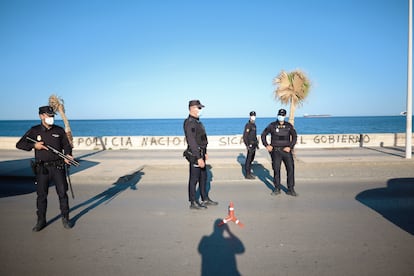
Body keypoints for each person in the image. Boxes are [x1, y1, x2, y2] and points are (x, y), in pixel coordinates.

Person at [16, 106, 75, 231]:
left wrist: (68, 155)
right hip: (42, 169)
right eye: (49, 116)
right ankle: (41, 221)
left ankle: (65, 218)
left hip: (58, 167)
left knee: (63, 194)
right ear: (41, 116)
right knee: (41, 196)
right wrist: (34, 145)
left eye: (52, 116)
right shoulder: (34, 130)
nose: (51, 118)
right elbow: (20, 144)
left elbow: (66, 145)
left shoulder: (59, 130)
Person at [183, 100, 218, 210]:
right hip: (195, 155)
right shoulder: (190, 122)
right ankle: (193, 201)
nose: (200, 110)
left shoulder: (198, 122)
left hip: (201, 153)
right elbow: (192, 141)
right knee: (194, 179)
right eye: (199, 108)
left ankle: (205, 198)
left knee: (204, 177)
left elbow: (202, 138)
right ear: (192, 108)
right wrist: (198, 158)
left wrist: (205, 152)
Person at [261, 108, 298, 196]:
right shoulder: (272, 125)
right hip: (276, 151)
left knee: (290, 169)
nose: (281, 116)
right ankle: (277, 188)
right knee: (276, 170)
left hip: (286, 151)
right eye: (279, 115)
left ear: (285, 116)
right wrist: (267, 145)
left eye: (282, 115)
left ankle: (291, 189)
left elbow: (295, 136)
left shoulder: (289, 126)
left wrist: (290, 147)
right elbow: (263, 135)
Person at [243, 111, 258, 179]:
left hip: (254, 144)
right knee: (248, 159)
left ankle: (249, 172)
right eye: (252, 115)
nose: (253, 117)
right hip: (250, 145)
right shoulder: (248, 125)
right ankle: (247, 174)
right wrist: (247, 145)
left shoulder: (254, 125)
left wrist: (257, 143)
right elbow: (245, 136)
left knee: (252, 159)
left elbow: (254, 135)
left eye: (254, 115)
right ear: (250, 116)